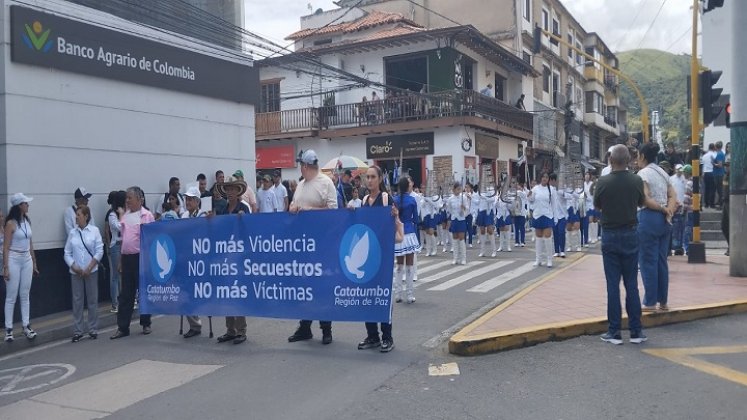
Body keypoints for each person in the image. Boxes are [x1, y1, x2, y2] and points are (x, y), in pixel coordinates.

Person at [594, 145, 647, 345]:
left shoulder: (603, 181)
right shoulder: (636, 180)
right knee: (631, 285)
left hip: (609, 234)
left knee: (612, 286)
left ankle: (614, 332)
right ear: (628, 161)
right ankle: (636, 331)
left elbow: (597, 205)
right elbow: (641, 202)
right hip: (631, 233)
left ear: (610, 160)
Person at [287, 150, 338, 345]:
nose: (300, 168)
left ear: (306, 166)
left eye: (301, 165)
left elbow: (334, 211)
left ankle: (326, 328)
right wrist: (292, 209)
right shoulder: (300, 185)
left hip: (322, 244)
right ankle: (305, 326)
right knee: (305, 287)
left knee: (322, 286)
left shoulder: (326, 183)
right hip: (302, 245)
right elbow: (293, 205)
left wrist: (311, 211)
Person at [357, 165, 404, 353]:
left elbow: (393, 225)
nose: (369, 180)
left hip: (383, 256)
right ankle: (372, 335)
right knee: (367, 296)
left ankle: (387, 337)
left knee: (383, 296)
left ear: (380, 179)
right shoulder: (363, 201)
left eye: (373, 177)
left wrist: (395, 216)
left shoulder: (386, 199)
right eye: (367, 177)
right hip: (367, 257)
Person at [110, 187, 155, 340]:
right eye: (126, 198)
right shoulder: (126, 216)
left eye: (130, 198)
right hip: (127, 257)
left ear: (139, 199)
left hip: (141, 257)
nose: (127, 201)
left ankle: (146, 322)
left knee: (143, 291)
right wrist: (121, 261)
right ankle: (123, 327)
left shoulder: (147, 215)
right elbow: (124, 239)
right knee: (125, 294)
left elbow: (151, 239)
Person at [637, 143, 677, 312]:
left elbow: (645, 199)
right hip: (665, 220)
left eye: (638, 155)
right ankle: (663, 302)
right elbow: (673, 194)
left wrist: (661, 208)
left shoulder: (642, 174)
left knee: (648, 260)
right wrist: (669, 210)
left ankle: (650, 301)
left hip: (649, 217)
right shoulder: (663, 172)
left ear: (643, 157)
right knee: (662, 261)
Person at [214, 177, 251, 345]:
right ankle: (230, 329)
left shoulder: (244, 208)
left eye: (232, 189)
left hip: (239, 255)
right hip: (225, 256)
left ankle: (241, 330)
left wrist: (243, 220)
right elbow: (218, 230)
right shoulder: (222, 210)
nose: (229, 192)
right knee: (227, 293)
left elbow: (250, 230)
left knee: (238, 292)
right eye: (227, 189)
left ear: (238, 191)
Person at [64, 205, 104, 343]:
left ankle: (93, 329)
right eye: (76, 215)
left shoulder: (94, 231)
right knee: (77, 301)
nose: (76, 217)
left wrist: (90, 266)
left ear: (86, 216)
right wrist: (74, 266)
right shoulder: (72, 233)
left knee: (92, 300)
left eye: (79, 215)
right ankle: (78, 330)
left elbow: (99, 250)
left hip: (91, 271)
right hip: (76, 273)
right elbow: (67, 252)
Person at [3, 193, 38, 342]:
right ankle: (9, 329)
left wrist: (34, 262)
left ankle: (26, 325)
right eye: (25, 203)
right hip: (14, 258)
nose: (28, 205)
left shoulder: (26, 221)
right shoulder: (11, 223)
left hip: (26, 259)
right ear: (19, 206)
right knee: (11, 295)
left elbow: (30, 243)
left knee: (25, 294)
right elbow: (6, 247)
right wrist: (6, 266)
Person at [181, 184, 209, 338]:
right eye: (186, 199)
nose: (188, 202)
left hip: (200, 259)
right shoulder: (184, 216)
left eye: (191, 199)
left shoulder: (203, 216)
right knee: (187, 292)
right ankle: (194, 324)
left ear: (198, 201)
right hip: (187, 258)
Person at [393, 176, 420, 303]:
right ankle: (409, 295)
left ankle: (398, 294)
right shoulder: (412, 200)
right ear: (407, 186)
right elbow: (416, 219)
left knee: (399, 266)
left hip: (399, 233)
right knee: (410, 266)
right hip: (409, 233)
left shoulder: (394, 200)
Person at [527, 173, 557, 268]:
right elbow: (531, 200)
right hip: (537, 215)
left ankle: (549, 259)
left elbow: (554, 204)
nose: (545, 178)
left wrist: (555, 218)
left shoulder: (551, 190)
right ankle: (538, 259)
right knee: (538, 238)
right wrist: (529, 196)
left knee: (548, 237)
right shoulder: (535, 188)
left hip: (547, 215)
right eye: (543, 177)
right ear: (540, 178)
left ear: (548, 179)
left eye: (546, 177)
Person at [104, 190, 125, 313]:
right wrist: (122, 216)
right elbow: (120, 227)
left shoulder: (125, 214)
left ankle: (123, 300)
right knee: (115, 276)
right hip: (116, 246)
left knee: (123, 275)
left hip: (124, 246)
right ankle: (114, 303)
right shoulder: (112, 215)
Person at [447, 182, 470, 265]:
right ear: (453, 190)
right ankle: (455, 258)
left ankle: (463, 258)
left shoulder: (463, 198)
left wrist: (463, 209)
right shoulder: (450, 199)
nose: (458, 191)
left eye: (459, 189)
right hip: (454, 219)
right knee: (455, 238)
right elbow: (449, 209)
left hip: (461, 219)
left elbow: (467, 209)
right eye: (457, 189)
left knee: (461, 238)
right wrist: (453, 214)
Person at [549, 174, 568, 258]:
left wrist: (563, 193)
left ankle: (562, 250)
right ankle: (556, 251)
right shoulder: (549, 189)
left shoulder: (563, 188)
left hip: (562, 215)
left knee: (561, 232)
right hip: (554, 215)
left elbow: (570, 196)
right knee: (555, 233)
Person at [475, 188, 497, 257]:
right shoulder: (480, 190)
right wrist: (471, 199)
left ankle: (494, 250)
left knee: (490, 230)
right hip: (481, 211)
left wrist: (485, 198)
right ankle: (482, 251)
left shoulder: (491, 189)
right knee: (482, 231)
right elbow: (477, 201)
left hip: (488, 211)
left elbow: (493, 199)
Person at [512, 183, 528, 248]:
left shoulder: (523, 194)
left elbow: (523, 194)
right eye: (517, 188)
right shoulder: (514, 194)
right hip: (516, 213)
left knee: (522, 228)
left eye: (519, 188)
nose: (518, 189)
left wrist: (523, 189)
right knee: (516, 228)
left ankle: (522, 241)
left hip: (522, 214)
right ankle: (516, 241)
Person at [701, 143, 717, 208]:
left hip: (705, 173)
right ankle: (711, 204)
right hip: (712, 172)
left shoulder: (704, 156)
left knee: (706, 189)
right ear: (713, 148)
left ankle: (706, 203)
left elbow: (702, 165)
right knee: (712, 189)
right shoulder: (714, 155)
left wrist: (702, 173)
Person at [713, 141, 726, 208]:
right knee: (719, 189)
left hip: (718, 174)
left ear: (716, 146)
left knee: (719, 189)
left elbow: (720, 165)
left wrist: (713, 163)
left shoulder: (719, 154)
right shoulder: (721, 153)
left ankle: (721, 203)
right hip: (719, 173)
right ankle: (720, 202)